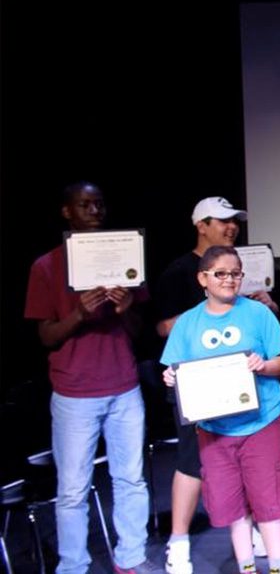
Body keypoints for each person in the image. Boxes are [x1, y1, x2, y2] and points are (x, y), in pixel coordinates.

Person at [24, 181, 157, 574]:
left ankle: (131, 558)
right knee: (72, 490)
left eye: (99, 204)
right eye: (85, 205)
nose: (95, 211)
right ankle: (73, 565)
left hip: (123, 386)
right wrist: (79, 314)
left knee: (130, 479)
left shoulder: (125, 258)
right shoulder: (46, 266)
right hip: (75, 392)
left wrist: (126, 307)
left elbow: (137, 331)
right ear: (67, 212)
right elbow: (45, 336)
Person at [154, 195, 274, 573]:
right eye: (222, 221)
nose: (231, 226)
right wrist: (208, 311)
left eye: (234, 221)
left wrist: (258, 303)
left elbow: (260, 325)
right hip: (200, 388)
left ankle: (250, 527)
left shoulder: (243, 268)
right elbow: (161, 327)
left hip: (240, 385)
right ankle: (179, 540)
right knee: (192, 462)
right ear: (200, 225)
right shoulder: (179, 272)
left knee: (245, 458)